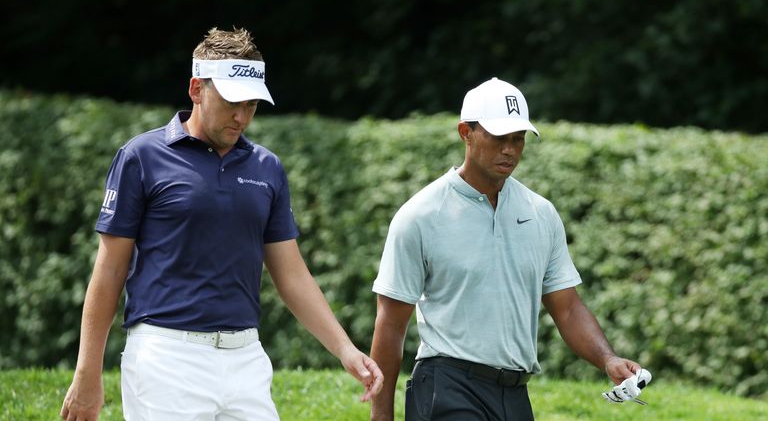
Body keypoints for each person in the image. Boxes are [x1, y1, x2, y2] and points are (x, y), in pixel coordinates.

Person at [60, 27, 383, 421]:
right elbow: (109, 271)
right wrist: (87, 373)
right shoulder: (141, 157)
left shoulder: (267, 168)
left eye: (252, 105)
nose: (242, 116)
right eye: (232, 101)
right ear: (197, 89)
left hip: (246, 358)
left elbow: (292, 275)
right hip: (165, 357)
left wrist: (346, 350)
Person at [369, 78, 645, 420]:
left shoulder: (540, 213)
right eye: (499, 138)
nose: (510, 150)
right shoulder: (421, 215)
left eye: (518, 139)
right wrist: (381, 416)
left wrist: (608, 359)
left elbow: (568, 308)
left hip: (514, 395)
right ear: (466, 133)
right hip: (447, 386)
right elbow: (392, 324)